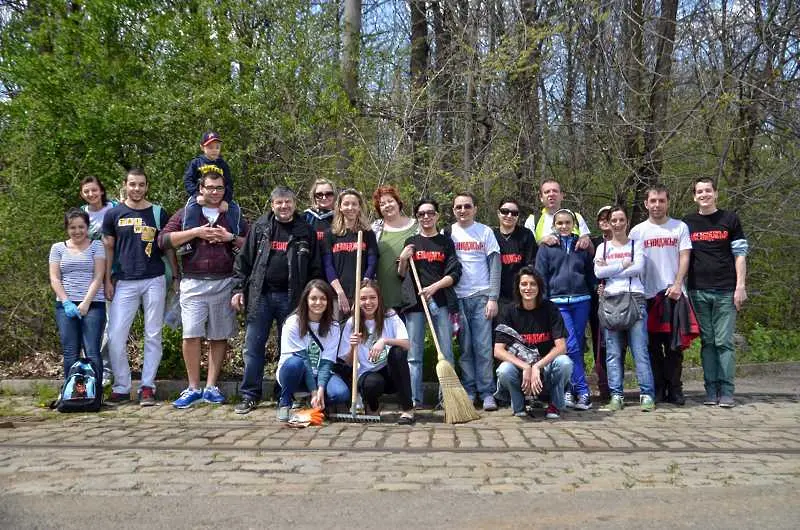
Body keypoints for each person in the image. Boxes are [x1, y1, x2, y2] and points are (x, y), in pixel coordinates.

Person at [158, 170, 249, 408]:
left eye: (219, 188)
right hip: (193, 281)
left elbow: (252, 244)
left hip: (225, 280)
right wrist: (196, 232)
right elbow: (163, 240)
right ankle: (192, 387)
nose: (215, 192)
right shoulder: (188, 211)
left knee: (219, 336)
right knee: (191, 334)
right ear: (201, 189)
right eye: (210, 188)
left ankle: (211, 386)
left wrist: (229, 237)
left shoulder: (234, 213)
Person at [231, 186, 321, 414]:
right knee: (253, 347)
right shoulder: (260, 228)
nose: (284, 206)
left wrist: (312, 298)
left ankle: (285, 393)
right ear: (272, 205)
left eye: (288, 202)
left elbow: (315, 268)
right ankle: (250, 394)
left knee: (290, 350)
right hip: (260, 296)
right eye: (279, 202)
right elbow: (243, 262)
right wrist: (238, 289)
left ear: (294, 203)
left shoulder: (305, 231)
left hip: (293, 299)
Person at [102, 168, 174, 406]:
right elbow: (108, 249)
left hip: (154, 279)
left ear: (147, 186)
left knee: (153, 335)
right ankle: (122, 387)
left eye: (141, 184)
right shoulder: (113, 214)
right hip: (123, 280)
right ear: (125, 185)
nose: (137, 189)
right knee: (115, 336)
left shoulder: (158, 212)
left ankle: (147, 387)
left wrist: (176, 275)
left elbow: (168, 246)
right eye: (132, 184)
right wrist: (107, 280)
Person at [683, 178, 748, 408]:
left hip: (726, 291)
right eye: (699, 191)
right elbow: (683, 257)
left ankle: (727, 390)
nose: (704, 194)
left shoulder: (730, 219)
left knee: (724, 342)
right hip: (698, 290)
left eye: (708, 190)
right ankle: (710, 390)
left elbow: (740, 254)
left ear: (715, 194)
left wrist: (740, 286)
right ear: (694, 196)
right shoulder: (688, 223)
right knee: (708, 342)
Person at [629, 184, 693, 405]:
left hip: (673, 294)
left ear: (667, 202)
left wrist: (677, 284)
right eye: (653, 201)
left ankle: (675, 388)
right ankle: (657, 388)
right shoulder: (637, 231)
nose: (657, 205)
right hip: (646, 297)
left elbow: (685, 257)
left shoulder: (679, 227)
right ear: (646, 203)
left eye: (661, 201)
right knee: (652, 347)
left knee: (674, 346)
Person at [397, 199, 461, 408]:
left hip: (440, 302)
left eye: (430, 213)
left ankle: (447, 400)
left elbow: (454, 273)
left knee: (446, 352)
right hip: (414, 304)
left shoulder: (445, 242)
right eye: (422, 214)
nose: (426, 217)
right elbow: (401, 274)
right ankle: (415, 400)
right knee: (414, 354)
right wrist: (404, 258)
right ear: (417, 217)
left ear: (437, 216)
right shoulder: (411, 241)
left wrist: (434, 288)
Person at [594, 206, 656, 412]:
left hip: (634, 300)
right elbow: (597, 272)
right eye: (614, 220)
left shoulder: (636, 244)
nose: (618, 224)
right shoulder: (602, 248)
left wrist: (609, 269)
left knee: (640, 351)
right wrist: (622, 265)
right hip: (611, 301)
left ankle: (647, 394)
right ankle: (616, 395)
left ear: (627, 222)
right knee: (612, 352)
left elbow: (639, 268)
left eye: (621, 220)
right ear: (609, 223)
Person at [493, 268, 573, 419]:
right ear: (518, 287)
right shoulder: (508, 311)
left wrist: (537, 366)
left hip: (546, 368)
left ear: (539, 287)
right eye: (524, 284)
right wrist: (525, 367)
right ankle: (519, 407)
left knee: (565, 363)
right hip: (520, 370)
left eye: (533, 284)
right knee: (504, 370)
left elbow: (561, 347)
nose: (528, 288)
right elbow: (498, 351)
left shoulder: (550, 308)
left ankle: (554, 406)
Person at [535, 209, 595, 410]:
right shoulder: (547, 246)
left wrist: (595, 290)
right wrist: (543, 302)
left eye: (567, 222)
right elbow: (540, 275)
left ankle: (572, 390)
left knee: (577, 343)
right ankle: (580, 390)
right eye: (559, 223)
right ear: (554, 225)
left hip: (581, 300)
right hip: (558, 301)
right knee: (570, 345)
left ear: (573, 224)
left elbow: (589, 273)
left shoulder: (582, 245)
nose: (564, 226)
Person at [449, 192, 501, 411]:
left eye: (467, 206)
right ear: (453, 210)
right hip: (458, 298)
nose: (463, 210)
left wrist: (493, 297)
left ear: (475, 209)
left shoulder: (485, 231)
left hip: (481, 296)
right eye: (459, 207)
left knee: (482, 347)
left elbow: (495, 265)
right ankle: (469, 390)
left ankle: (487, 392)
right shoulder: (448, 232)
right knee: (466, 347)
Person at [340, 280, 415, 424]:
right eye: (363, 298)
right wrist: (352, 347)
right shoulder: (352, 323)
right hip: (367, 375)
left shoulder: (390, 316)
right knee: (372, 384)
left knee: (398, 352)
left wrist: (384, 341)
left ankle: (407, 409)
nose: (368, 302)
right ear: (357, 301)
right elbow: (348, 363)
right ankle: (372, 404)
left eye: (372, 298)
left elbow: (407, 344)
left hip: (390, 373)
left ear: (379, 299)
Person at [275, 280, 349, 422]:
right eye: (313, 298)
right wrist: (314, 390)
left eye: (323, 298)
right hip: (295, 373)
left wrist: (320, 389)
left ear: (328, 302)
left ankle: (315, 400)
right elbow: (304, 360)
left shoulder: (333, 327)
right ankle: (285, 403)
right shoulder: (293, 323)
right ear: (306, 300)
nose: (318, 302)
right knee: (295, 363)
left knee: (341, 393)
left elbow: (327, 362)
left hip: (318, 374)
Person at [49, 208, 106, 386]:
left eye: (81, 227)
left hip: (93, 304)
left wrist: (86, 303)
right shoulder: (58, 248)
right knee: (70, 351)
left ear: (87, 227)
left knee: (92, 351)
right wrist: (66, 302)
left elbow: (98, 276)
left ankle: (94, 392)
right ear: (67, 228)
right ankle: (70, 391)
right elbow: (55, 278)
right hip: (65, 306)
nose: (77, 231)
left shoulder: (97, 246)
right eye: (72, 227)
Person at [79, 175, 119, 386]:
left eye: (94, 190)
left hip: (113, 274)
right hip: (87, 276)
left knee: (111, 324)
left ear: (101, 191)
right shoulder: (81, 214)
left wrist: (109, 277)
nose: (91, 194)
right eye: (87, 191)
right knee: (90, 322)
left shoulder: (114, 209)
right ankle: (89, 368)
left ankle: (107, 370)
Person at [180, 131, 242, 252]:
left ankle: (234, 241)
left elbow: (229, 184)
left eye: (217, 147)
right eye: (210, 147)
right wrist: (196, 195)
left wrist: (226, 200)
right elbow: (188, 180)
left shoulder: (222, 164)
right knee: (190, 209)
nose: (214, 150)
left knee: (235, 209)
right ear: (202, 147)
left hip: (221, 195)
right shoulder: (196, 163)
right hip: (201, 195)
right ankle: (188, 242)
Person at [322, 189, 379, 318]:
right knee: (336, 333)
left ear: (359, 207)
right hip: (336, 294)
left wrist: (360, 293)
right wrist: (339, 292)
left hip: (362, 295)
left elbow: (372, 262)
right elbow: (328, 265)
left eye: (354, 204)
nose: (350, 208)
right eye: (346, 204)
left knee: (358, 334)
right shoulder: (330, 234)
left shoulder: (367, 233)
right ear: (340, 207)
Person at [372, 185, 418, 311]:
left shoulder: (416, 227)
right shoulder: (374, 230)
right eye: (382, 204)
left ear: (398, 203)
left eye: (390, 201)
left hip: (413, 297)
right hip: (384, 296)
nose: (387, 205)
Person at [493, 197, 536, 313]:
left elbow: (531, 265)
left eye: (514, 213)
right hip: (496, 298)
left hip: (520, 295)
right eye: (505, 211)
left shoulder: (526, 235)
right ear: (498, 213)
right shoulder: (490, 235)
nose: (509, 215)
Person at [524, 179, 592, 250]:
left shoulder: (576, 217)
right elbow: (527, 251)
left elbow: (591, 251)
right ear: (541, 198)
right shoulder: (532, 220)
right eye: (547, 192)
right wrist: (541, 242)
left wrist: (586, 240)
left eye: (555, 191)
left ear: (562, 195)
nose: (551, 194)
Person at [589, 206, 613, 400]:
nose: (605, 221)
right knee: (602, 343)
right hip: (599, 299)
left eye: (609, 217)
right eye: (602, 218)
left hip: (624, 298)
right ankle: (605, 385)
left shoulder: (628, 242)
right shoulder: (593, 243)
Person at [303, 178, 337, 242]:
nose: (324, 198)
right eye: (319, 194)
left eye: (329, 194)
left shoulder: (340, 217)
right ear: (314, 196)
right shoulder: (306, 217)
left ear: (334, 195)